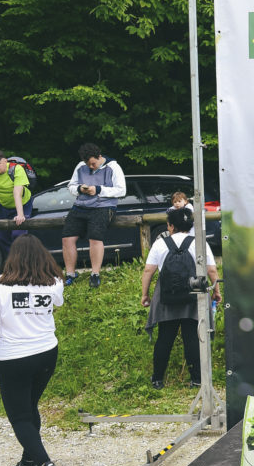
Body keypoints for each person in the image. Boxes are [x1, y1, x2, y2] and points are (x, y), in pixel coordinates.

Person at [0, 235, 64, 466]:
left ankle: (46, 465)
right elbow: (56, 304)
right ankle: (28, 461)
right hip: (46, 353)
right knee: (29, 405)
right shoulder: (54, 283)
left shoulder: (0, 286)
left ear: (12, 258)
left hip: (14, 357)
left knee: (20, 416)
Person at [141, 206, 221, 388]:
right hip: (194, 294)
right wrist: (216, 291)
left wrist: (145, 294)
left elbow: (148, 270)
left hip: (166, 295)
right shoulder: (199, 243)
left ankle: (157, 379)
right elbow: (211, 270)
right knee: (192, 336)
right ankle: (196, 379)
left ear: (170, 226)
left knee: (165, 337)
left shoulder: (160, 244)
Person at [61, 142, 126, 289]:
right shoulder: (80, 166)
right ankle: (70, 274)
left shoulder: (113, 167)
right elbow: (71, 186)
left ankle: (95, 274)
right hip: (81, 205)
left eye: (93, 163)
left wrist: (98, 190)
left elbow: (122, 190)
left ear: (99, 156)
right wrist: (80, 189)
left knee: (95, 237)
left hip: (103, 206)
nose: (90, 166)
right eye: (87, 164)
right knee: (67, 238)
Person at [0, 150, 32, 260]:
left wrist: (20, 214)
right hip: (3, 205)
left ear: (5, 161)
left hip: (23, 204)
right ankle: (11, 263)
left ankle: (23, 262)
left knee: (18, 235)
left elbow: (17, 193)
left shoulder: (15, 169)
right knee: (1, 238)